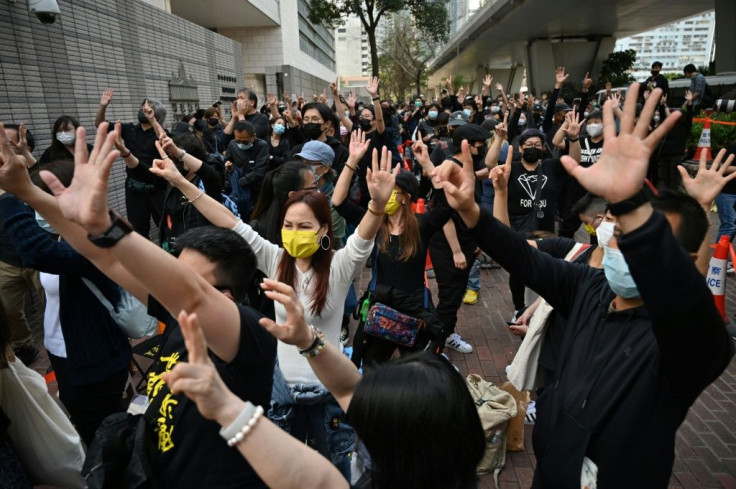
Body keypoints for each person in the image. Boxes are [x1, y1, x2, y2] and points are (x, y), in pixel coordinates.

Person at [431, 83, 734, 488]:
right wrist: (471, 210)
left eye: (641, 240)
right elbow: (523, 257)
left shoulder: (689, 342)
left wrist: (630, 201)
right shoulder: (590, 287)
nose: (620, 244)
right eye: (620, 231)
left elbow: (688, 300)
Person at [0, 122, 278, 488]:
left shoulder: (248, 337)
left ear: (225, 296)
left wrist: (105, 225)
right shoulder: (180, 317)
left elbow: (189, 293)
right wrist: (25, 194)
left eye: (185, 278)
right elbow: (109, 261)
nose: (168, 283)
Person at [152, 140, 396, 477]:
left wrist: (377, 206)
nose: (294, 234)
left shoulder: (340, 267)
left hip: (329, 393)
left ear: (324, 229)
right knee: (282, 473)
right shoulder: (276, 260)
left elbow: (364, 237)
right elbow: (228, 221)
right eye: (288, 226)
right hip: (282, 390)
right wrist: (181, 182)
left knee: (338, 471)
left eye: (305, 226)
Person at [162, 279, 485, 489]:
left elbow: (316, 481)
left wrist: (225, 407)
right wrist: (307, 340)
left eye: (367, 427)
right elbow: (347, 389)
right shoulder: (451, 470)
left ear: (399, 450)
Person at [0, 160, 131, 445]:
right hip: (63, 352)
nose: (34, 209)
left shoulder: (108, 231)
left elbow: (37, 253)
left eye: (37, 200)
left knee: (103, 434)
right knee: (87, 421)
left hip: (96, 357)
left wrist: (6, 195)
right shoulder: (61, 232)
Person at [332, 130, 453, 367]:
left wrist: (427, 163)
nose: (384, 194)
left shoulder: (422, 225)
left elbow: (447, 203)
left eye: (391, 190)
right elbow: (338, 203)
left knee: (419, 370)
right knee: (371, 368)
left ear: (405, 197)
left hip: (414, 310)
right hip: (381, 309)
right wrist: (352, 162)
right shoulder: (375, 223)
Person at [427, 124, 491, 353]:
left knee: (456, 294)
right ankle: (434, 348)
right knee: (449, 297)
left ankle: (447, 333)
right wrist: (456, 250)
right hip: (448, 244)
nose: (483, 148)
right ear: (467, 144)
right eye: (480, 144)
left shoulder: (466, 167)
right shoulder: (450, 171)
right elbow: (445, 217)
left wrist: (473, 243)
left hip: (466, 242)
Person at [95, 89, 168, 237]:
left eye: (148, 109)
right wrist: (103, 106)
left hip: (157, 189)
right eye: (142, 107)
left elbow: (164, 141)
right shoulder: (129, 129)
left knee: (166, 227)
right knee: (138, 230)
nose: (143, 110)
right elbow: (99, 124)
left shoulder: (162, 133)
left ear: (157, 115)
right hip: (134, 189)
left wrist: (153, 121)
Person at [0, 123, 41, 366]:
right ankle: (24, 345)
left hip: (40, 257)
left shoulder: (36, 178)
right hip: (6, 259)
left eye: (10, 143)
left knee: (57, 304)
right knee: (9, 310)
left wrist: (27, 158)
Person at [250, 162, 317, 246]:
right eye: (313, 187)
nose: (317, 192)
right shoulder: (259, 230)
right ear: (293, 195)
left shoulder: (317, 219)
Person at [294, 140, 347, 248]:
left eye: (309, 164)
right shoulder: (298, 189)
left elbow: (334, 238)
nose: (303, 167)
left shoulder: (334, 199)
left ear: (325, 168)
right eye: (302, 163)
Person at [225, 120, 270, 219]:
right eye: (238, 141)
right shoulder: (232, 144)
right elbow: (228, 160)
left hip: (256, 189)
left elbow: (260, 171)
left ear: (254, 136)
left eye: (244, 141)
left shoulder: (262, 146)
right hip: (238, 191)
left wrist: (240, 182)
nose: (240, 144)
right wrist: (228, 166)